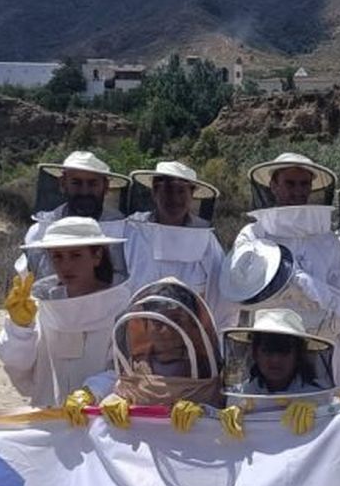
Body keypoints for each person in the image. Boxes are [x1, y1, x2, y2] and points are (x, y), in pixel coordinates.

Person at [0, 216, 130, 421]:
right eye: (57, 256)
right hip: (47, 420)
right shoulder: (38, 306)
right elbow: (20, 372)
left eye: (76, 255)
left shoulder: (122, 307)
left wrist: (93, 391)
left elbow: (127, 370)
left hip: (100, 422)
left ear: (97, 256)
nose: (66, 265)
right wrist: (19, 328)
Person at [229, 153, 340, 366]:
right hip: (267, 346)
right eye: (290, 183)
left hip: (319, 344)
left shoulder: (329, 240)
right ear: (273, 185)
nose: (298, 191)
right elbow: (241, 294)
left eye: (304, 184)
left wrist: (305, 283)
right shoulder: (253, 235)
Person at [100, 278, 224, 433]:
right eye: (157, 323)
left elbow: (230, 413)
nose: (166, 331)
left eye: (176, 320)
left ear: (193, 325)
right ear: (145, 326)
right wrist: (108, 399)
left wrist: (206, 412)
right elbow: (113, 383)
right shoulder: (135, 367)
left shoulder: (207, 368)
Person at [123, 159, 229, 323]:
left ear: (192, 195)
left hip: (190, 335)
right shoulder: (132, 231)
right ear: (155, 192)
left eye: (181, 191)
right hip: (136, 333)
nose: (174, 198)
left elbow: (220, 299)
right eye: (168, 190)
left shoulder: (207, 241)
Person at [220, 306, 337, 438]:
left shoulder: (318, 396)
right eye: (267, 350)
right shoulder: (239, 395)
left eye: (284, 351)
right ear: (255, 353)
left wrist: (321, 414)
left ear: (298, 355)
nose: (275, 360)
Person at [17, 151, 130, 278]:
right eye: (76, 183)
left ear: (106, 186)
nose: (84, 192)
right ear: (63, 183)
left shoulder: (126, 233)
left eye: (92, 183)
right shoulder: (38, 233)